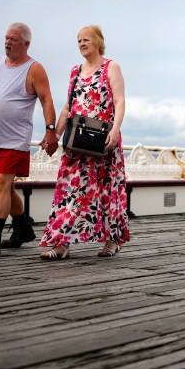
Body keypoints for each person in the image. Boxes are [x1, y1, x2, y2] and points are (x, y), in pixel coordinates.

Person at [0, 22, 59, 257]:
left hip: (14, 140)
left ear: (26, 44)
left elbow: (46, 100)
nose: (8, 42)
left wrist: (50, 131)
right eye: (6, 38)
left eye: (14, 39)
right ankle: (22, 228)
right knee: (5, 188)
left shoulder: (34, 69)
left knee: (1, 186)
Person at [39, 25, 129, 259]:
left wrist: (116, 129)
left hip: (103, 141)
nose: (81, 44)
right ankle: (61, 244)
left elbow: (119, 101)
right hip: (76, 143)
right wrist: (55, 135)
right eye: (78, 40)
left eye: (86, 39)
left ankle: (113, 241)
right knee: (68, 191)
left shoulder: (112, 67)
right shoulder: (75, 71)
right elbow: (68, 106)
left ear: (98, 41)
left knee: (107, 191)